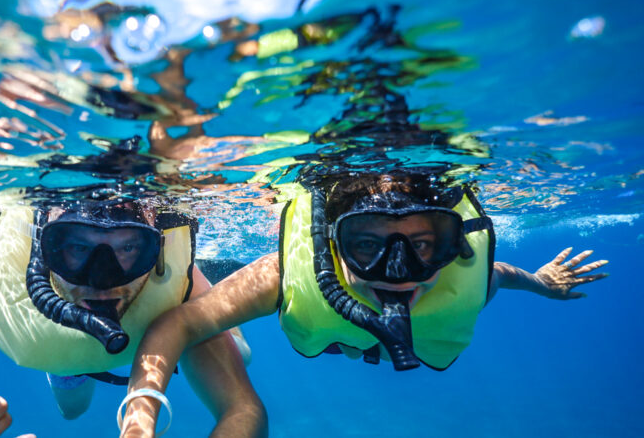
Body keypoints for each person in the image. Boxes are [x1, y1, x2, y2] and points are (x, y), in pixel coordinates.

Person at [119, 171, 609, 435]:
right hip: (332, 331)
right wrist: (142, 416)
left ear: (449, 244)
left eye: (421, 246)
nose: (398, 273)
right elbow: (181, 323)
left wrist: (543, 282)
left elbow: (500, 274)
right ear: (333, 245)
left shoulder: (460, 281)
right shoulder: (286, 276)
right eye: (367, 246)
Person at [0, 196, 266, 438]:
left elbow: (242, 409)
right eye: (75, 248)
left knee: (241, 354)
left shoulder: (177, 283)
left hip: (166, 320)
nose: (103, 282)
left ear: (154, 248)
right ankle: (69, 368)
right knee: (71, 409)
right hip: (52, 340)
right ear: (42, 247)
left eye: (128, 249)